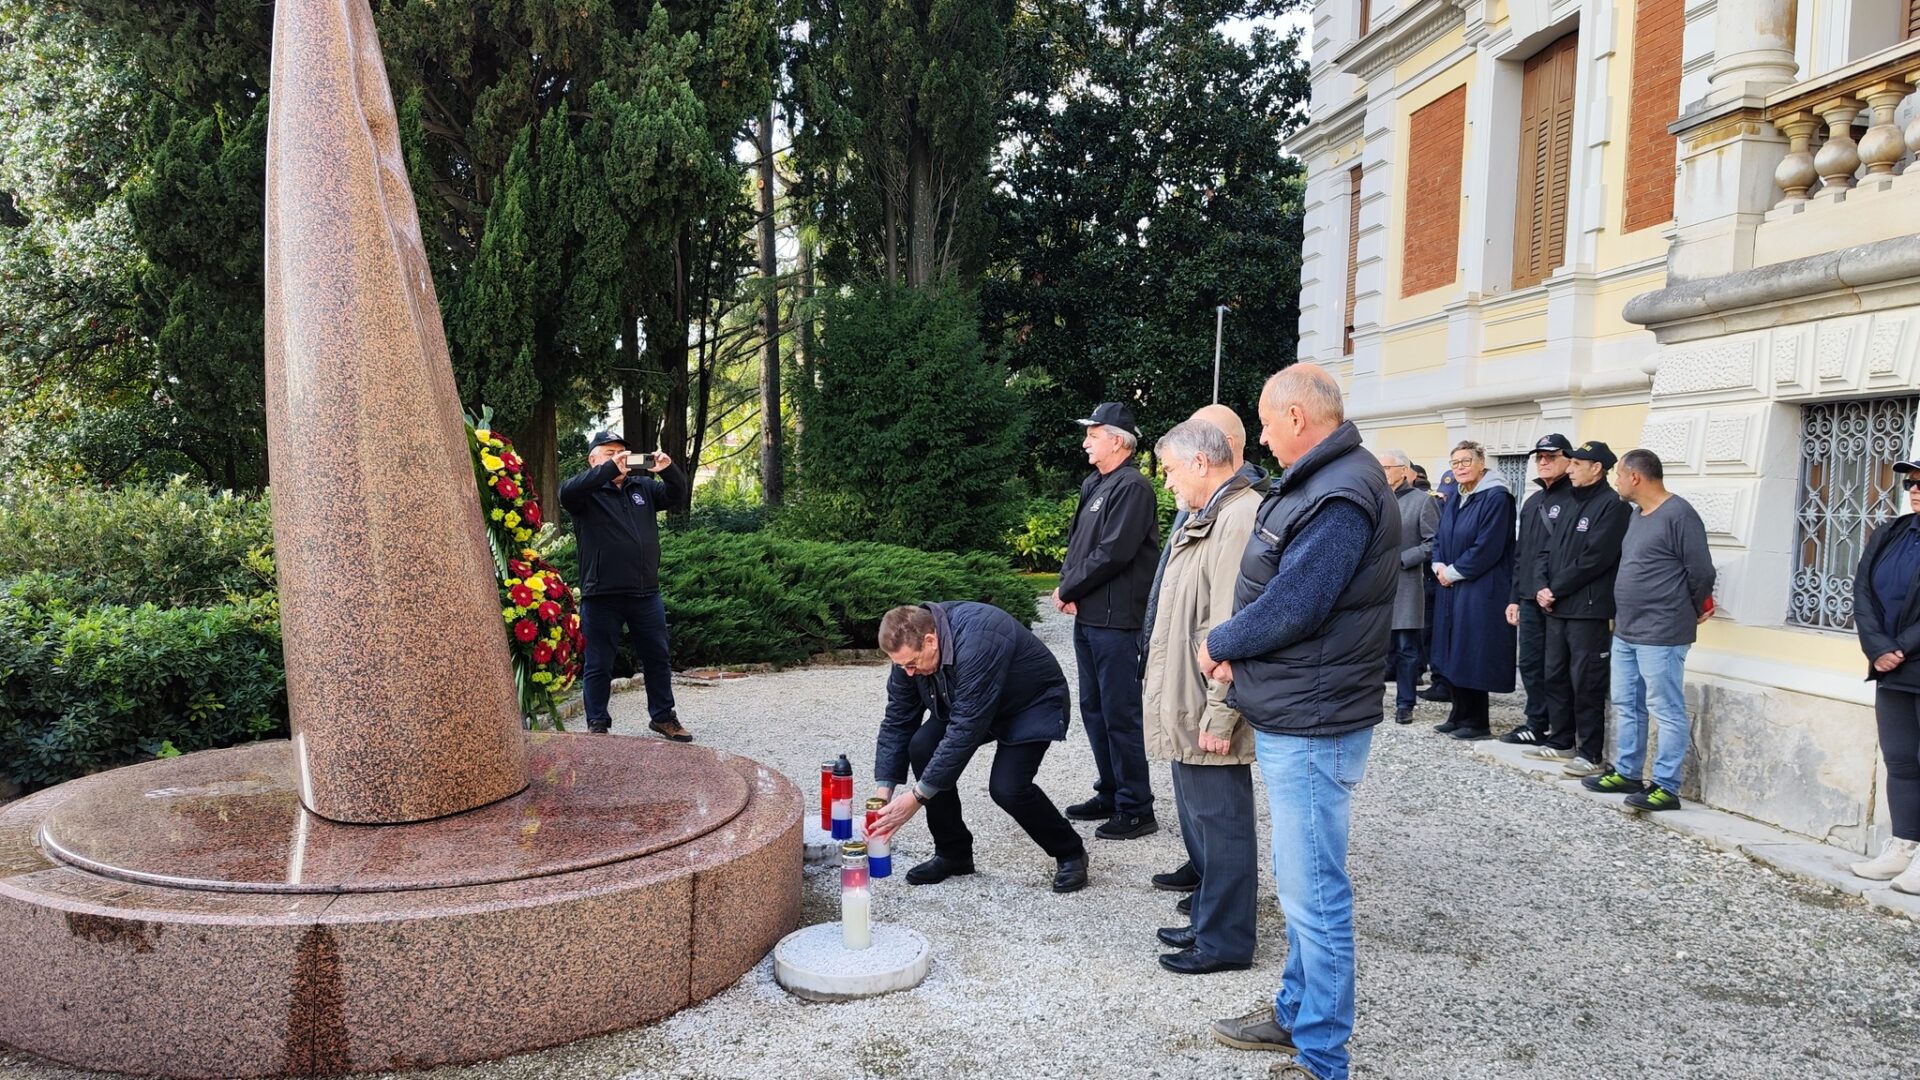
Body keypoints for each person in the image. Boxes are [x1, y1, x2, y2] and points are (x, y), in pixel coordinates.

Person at [1197, 364, 1397, 1080]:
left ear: (1297, 418)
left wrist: (1222, 642)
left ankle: (1321, 1055)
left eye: (1265, 421)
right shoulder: (1326, 480)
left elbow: (1297, 604)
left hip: (1314, 718)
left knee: (1314, 895)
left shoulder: (1341, 492)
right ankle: (1296, 1015)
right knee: (1300, 883)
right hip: (1302, 708)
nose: (1262, 436)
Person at [1142, 419, 1263, 975]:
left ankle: (1225, 942)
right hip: (1189, 700)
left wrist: (1220, 713)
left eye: (1169, 470)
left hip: (1206, 706)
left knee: (1223, 826)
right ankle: (1208, 921)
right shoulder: (1211, 514)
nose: (1166, 481)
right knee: (1205, 825)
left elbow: (1231, 627)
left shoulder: (1238, 518)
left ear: (1199, 462)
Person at [866, 603, 1090, 893]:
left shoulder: (979, 639)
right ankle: (953, 853)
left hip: (1030, 705)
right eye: (901, 666)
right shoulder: (908, 655)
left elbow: (966, 729)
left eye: (912, 664)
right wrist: (883, 793)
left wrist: (917, 797)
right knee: (922, 746)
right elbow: (898, 719)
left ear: (931, 640)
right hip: (971, 703)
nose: (908, 672)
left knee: (1008, 788)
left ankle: (1070, 852)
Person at [1580, 450, 1714, 812]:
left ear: (1635, 477)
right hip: (1627, 628)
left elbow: (1701, 571)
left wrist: (1693, 608)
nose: (1616, 482)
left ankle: (1666, 786)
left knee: (1665, 708)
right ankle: (1627, 772)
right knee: (1626, 703)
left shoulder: (1679, 514)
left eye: (1619, 475)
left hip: (1662, 631)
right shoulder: (1637, 515)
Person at [1053, 402, 1161, 840]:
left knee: (1120, 713)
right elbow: (1079, 545)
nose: (1085, 443)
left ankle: (1136, 807)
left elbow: (1113, 553)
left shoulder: (1133, 487)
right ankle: (1112, 790)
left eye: (1093, 435)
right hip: (1091, 617)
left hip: (1117, 621)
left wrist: (1069, 588)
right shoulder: (1095, 483)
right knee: (1094, 709)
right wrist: (1068, 586)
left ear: (1117, 441)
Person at [559, 431, 692, 740]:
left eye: (622, 452)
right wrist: (608, 470)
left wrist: (669, 470)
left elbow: (676, 494)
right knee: (598, 663)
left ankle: (663, 717)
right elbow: (566, 492)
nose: (619, 457)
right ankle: (597, 724)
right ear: (593, 459)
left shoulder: (642, 487)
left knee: (657, 658)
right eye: (610, 453)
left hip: (646, 593)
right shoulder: (585, 493)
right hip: (601, 595)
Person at [1522, 441, 1629, 776]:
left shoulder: (1613, 506)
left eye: (1577, 465)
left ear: (1596, 468)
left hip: (1587, 609)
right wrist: (1541, 585)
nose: (1569, 469)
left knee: (1586, 681)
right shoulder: (1570, 501)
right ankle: (1561, 740)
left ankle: (1590, 752)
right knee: (1554, 675)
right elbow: (1545, 550)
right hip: (1557, 607)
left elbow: (1595, 558)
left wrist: (1555, 588)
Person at [1847, 456, 1920, 894]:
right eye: (1911, 483)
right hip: (1889, 667)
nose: (1915, 490)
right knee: (1900, 760)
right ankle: (1904, 847)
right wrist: (1876, 648)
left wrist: (1899, 648)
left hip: (1907, 658)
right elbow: (1862, 589)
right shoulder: (1891, 531)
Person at [1428, 444, 1516, 739]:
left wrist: (1452, 572)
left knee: (1473, 652)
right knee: (1452, 649)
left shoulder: (1497, 497)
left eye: (1466, 461)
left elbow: (1488, 546)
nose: (1460, 467)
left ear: (1481, 463)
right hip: (1451, 584)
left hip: (1479, 586)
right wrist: (1438, 564)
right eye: (1455, 463)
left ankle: (1477, 721)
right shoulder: (1457, 496)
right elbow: (1440, 536)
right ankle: (1458, 713)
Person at [1501, 434, 1575, 746]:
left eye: (1551, 456)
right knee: (1530, 662)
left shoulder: (1576, 498)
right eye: (1539, 457)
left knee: (1558, 667)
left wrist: (1554, 588)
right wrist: (1515, 597)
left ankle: (1561, 728)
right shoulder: (1532, 502)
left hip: (1559, 597)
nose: (1543, 462)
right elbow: (1522, 554)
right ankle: (1536, 722)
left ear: (1569, 460)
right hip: (1529, 596)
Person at [1379, 449, 1438, 724]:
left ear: (1404, 470)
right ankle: (1372, 702)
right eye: (1380, 467)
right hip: (1376, 587)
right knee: (1375, 651)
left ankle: (1405, 703)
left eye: (1388, 467)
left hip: (1406, 585)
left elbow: (1433, 542)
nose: (1383, 472)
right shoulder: (1376, 498)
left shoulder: (1422, 501)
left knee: (1406, 649)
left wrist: (1404, 559)